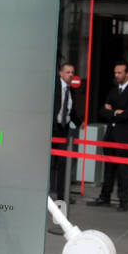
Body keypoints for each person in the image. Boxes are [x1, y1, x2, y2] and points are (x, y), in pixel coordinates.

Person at [92, 62, 128, 211]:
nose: (116, 75)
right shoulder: (113, 90)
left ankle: (123, 201)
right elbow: (102, 111)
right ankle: (105, 196)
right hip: (110, 135)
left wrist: (114, 112)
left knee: (123, 169)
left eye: (119, 72)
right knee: (108, 168)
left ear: (127, 74)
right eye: (115, 72)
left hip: (125, 136)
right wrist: (116, 113)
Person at [50, 61, 82, 200]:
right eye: (67, 72)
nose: (70, 75)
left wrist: (80, 123)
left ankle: (62, 196)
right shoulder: (54, 87)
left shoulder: (71, 91)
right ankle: (46, 194)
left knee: (63, 164)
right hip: (52, 129)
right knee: (50, 163)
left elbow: (71, 111)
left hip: (64, 130)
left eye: (72, 73)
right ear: (60, 73)